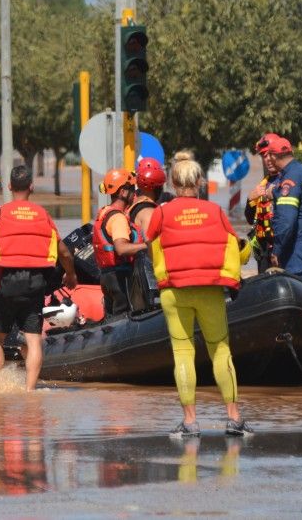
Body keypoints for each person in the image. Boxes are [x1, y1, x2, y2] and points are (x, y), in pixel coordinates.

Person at [146, 157, 253, 438]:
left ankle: (190, 422)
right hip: (210, 289)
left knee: (183, 353)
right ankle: (234, 418)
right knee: (220, 351)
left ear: (172, 183)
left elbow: (151, 245)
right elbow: (235, 248)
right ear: (199, 183)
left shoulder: (162, 212)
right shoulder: (215, 211)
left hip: (174, 289)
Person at [0, 165, 77, 391]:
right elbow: (64, 252)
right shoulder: (43, 216)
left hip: (5, 283)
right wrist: (71, 274)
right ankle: (30, 390)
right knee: (34, 338)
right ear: (31, 187)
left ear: (9, 186)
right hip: (35, 283)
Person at [265, 135, 302, 280]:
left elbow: (286, 221)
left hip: (295, 250)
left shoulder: (289, 180)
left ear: (273, 156)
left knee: (298, 297)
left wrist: (277, 250)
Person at [92, 169, 148, 317]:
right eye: (131, 189)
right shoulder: (118, 218)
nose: (134, 193)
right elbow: (121, 248)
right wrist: (148, 246)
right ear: (123, 192)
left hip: (108, 277)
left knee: (113, 318)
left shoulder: (105, 212)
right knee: (126, 318)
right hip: (120, 277)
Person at [128, 157, 167, 310]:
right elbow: (153, 245)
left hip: (136, 269)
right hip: (146, 273)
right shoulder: (149, 212)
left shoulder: (134, 205)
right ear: (155, 187)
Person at [246, 133, 283, 273]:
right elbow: (250, 219)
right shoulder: (262, 184)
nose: (267, 159)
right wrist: (250, 199)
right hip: (264, 252)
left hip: (283, 248)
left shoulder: (289, 180)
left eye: (269, 154)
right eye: (264, 156)